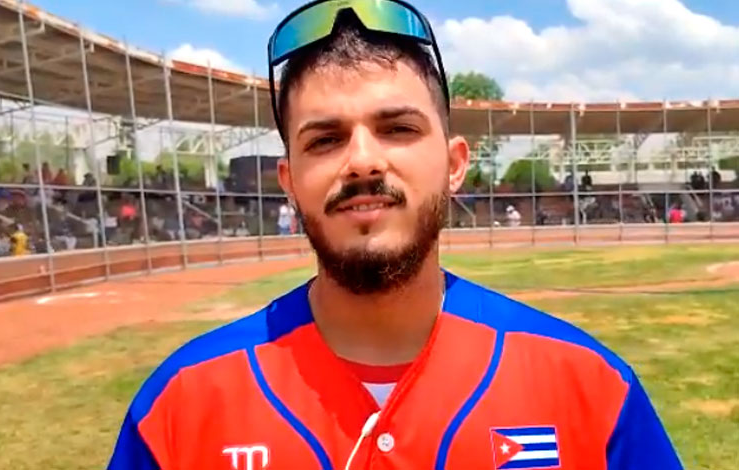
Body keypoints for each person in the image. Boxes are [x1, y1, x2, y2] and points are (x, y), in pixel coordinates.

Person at [109, 2, 682, 470]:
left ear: (455, 164)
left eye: (398, 128)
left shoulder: (591, 389)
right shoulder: (179, 407)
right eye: (325, 139)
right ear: (289, 181)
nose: (362, 160)